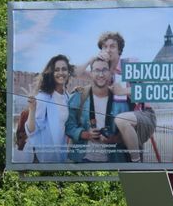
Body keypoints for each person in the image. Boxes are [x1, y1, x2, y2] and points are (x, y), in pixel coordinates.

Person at [96, 31, 156, 162]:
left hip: (142, 116)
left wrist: (123, 91)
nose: (108, 50)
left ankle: (136, 163)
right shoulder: (101, 72)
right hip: (116, 128)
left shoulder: (130, 63)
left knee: (122, 120)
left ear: (119, 50)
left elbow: (148, 89)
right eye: (104, 47)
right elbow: (78, 73)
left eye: (112, 46)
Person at [65, 55, 135, 163]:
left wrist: (114, 139)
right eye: (97, 70)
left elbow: (131, 131)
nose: (101, 74)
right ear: (91, 73)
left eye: (104, 70)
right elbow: (69, 126)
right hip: (82, 160)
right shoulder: (78, 97)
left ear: (110, 73)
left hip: (113, 161)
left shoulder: (122, 101)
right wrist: (85, 134)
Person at [16, 54, 73, 164]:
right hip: (43, 157)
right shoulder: (43, 97)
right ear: (51, 73)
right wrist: (32, 109)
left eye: (64, 69)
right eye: (56, 70)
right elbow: (32, 130)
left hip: (59, 156)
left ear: (68, 72)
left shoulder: (67, 97)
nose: (61, 73)